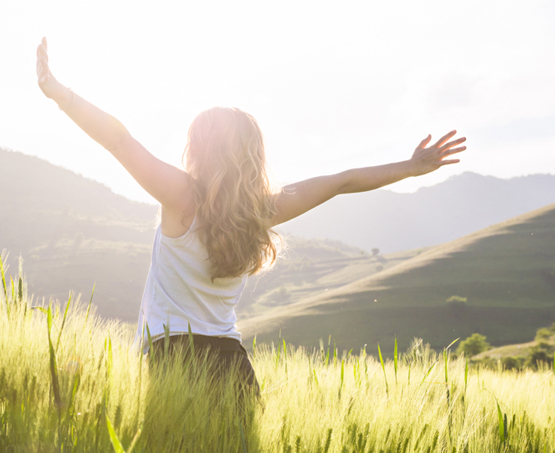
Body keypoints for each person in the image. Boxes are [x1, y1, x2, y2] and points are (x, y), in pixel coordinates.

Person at [35, 37, 466, 393]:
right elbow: (341, 181)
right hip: (233, 366)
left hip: (174, 359)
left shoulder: (180, 194)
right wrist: (410, 167)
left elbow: (118, 141)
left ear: (197, 148)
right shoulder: (261, 210)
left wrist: (60, 94)